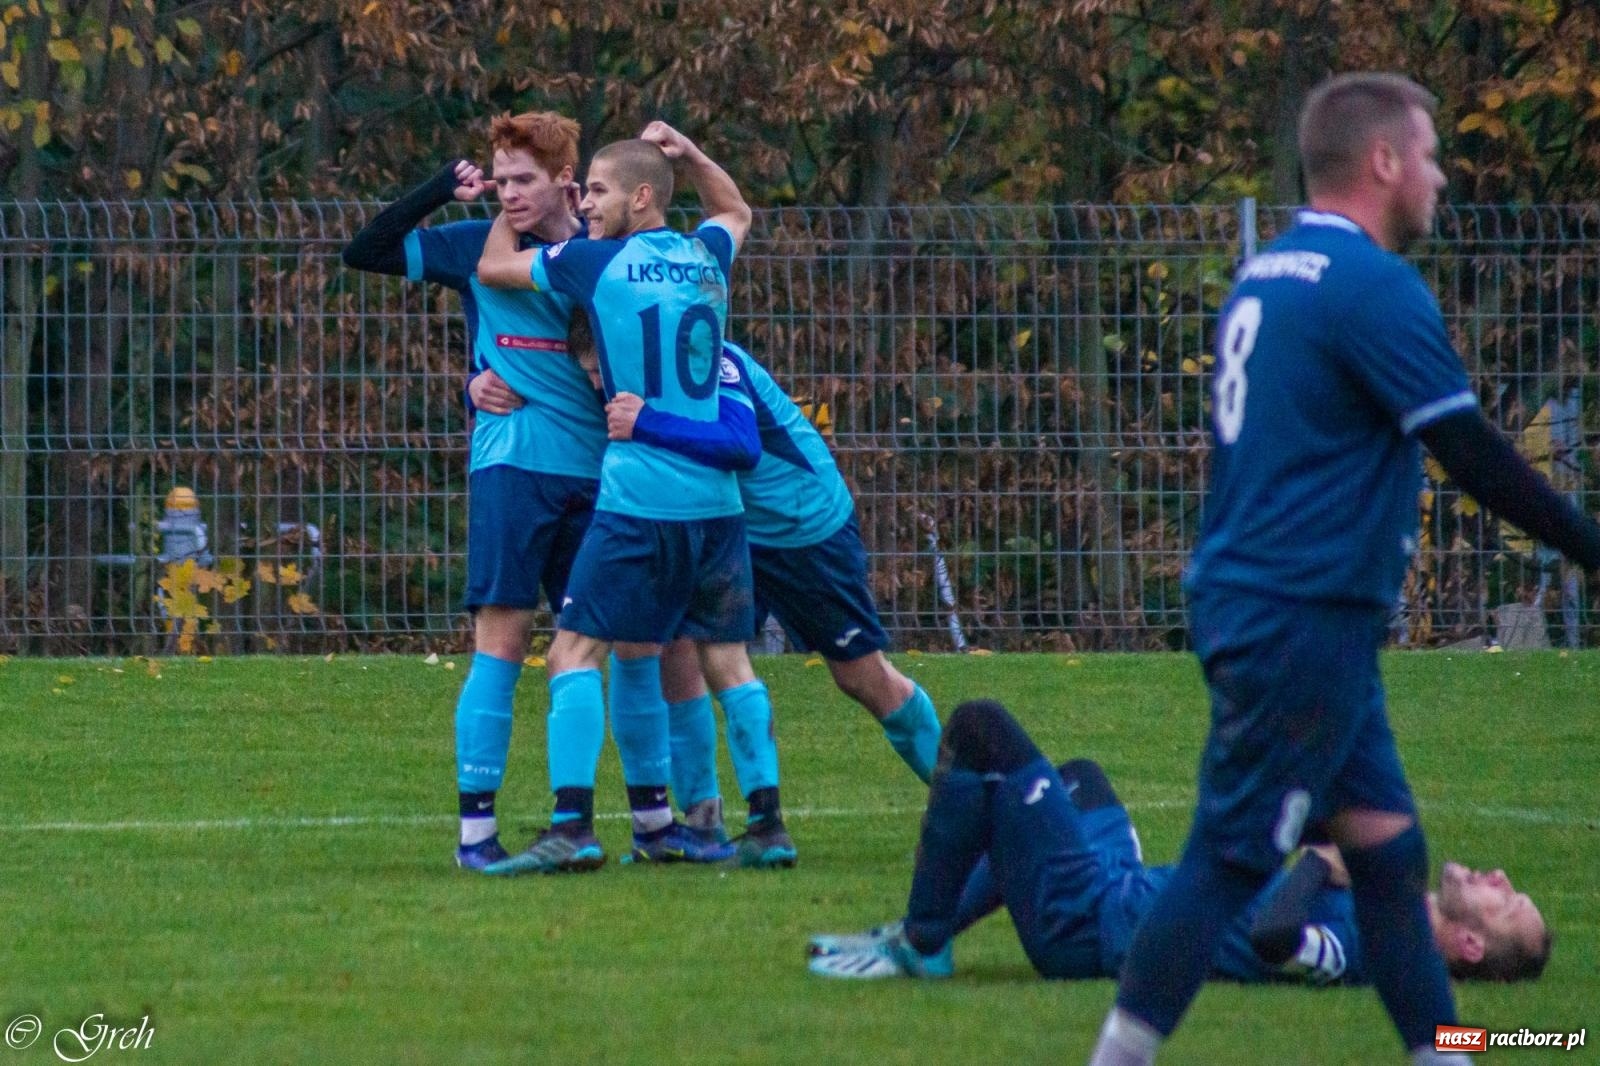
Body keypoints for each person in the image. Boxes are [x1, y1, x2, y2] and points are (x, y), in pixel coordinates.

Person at [1085, 72, 1600, 1066]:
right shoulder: (1371, 285)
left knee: (1387, 854)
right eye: (1432, 155)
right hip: (1298, 612)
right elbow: (1470, 451)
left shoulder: (1270, 272)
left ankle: (1442, 1051)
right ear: (1383, 162)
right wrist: (1588, 545)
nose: (1442, 177)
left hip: (1289, 607)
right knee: (1233, 852)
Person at [474, 122, 791, 873]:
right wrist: (696, 155)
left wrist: (502, 201)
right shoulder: (707, 255)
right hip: (717, 508)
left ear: (641, 198)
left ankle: (573, 825)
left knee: (573, 652)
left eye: (601, 190)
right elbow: (737, 209)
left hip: (638, 498)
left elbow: (493, 268)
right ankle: (769, 826)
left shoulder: (594, 261)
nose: (585, 201)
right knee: (729, 662)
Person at [806, 700, 1551, 987]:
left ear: (1471, 946)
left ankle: (922, 943)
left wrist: (1321, 864)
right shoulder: (1390, 906)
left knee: (979, 730)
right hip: (1123, 884)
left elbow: (1275, 934)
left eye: (1503, 898)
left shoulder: (1369, 952)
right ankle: (912, 930)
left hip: (1088, 923)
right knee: (1080, 780)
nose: (1497, 873)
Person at [340, 112, 606, 873]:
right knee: (502, 642)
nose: (510, 193)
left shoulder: (601, 250)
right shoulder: (473, 247)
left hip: (598, 475)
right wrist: (437, 188)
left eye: (525, 179)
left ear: (567, 181)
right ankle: (475, 838)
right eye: (501, 178)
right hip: (512, 469)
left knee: (590, 647)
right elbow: (365, 251)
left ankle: (583, 823)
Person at [606, 337, 942, 863]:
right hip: (731, 524)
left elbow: (741, 445)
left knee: (860, 676)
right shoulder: (637, 359)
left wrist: (646, 423)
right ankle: (707, 824)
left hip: (804, 525)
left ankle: (968, 792)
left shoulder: (706, 354)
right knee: (681, 648)